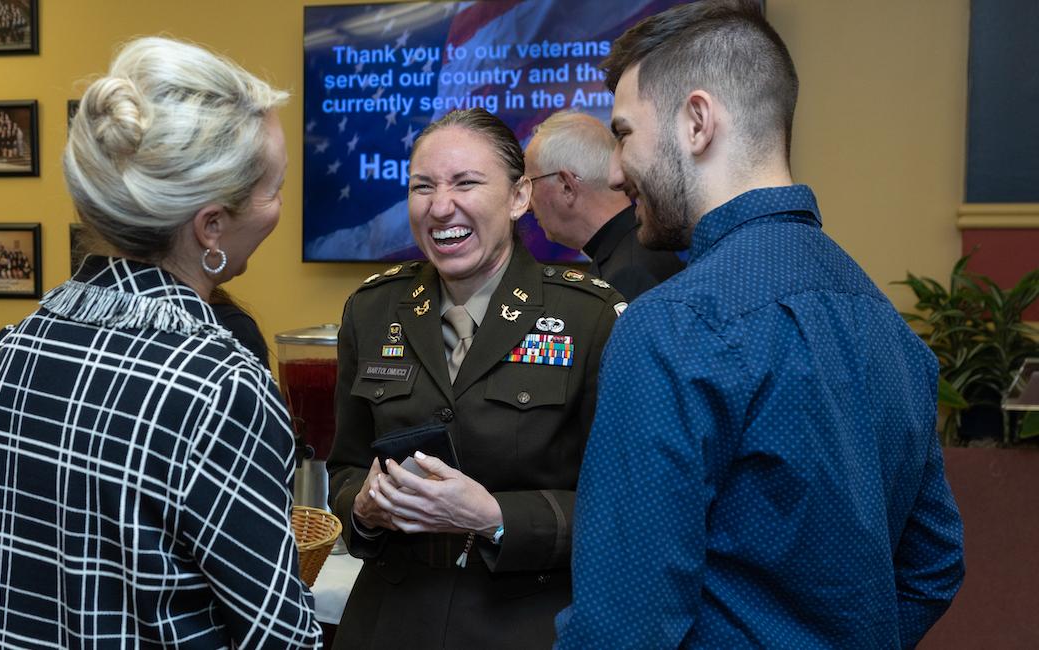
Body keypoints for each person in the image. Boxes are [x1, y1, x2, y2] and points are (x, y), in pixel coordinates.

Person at [555, 1, 965, 647]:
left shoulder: (670, 327)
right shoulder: (891, 329)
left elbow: (623, 624)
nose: (613, 169)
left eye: (625, 133)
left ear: (697, 121)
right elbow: (933, 566)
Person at [0, 36, 321, 648]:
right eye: (275, 188)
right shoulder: (219, 383)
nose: (279, 206)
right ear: (211, 226)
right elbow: (275, 632)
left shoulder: (7, 353)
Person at [327, 108, 625, 649]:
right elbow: (345, 465)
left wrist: (495, 517)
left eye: (466, 183)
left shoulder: (590, 318)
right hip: (390, 620)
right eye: (423, 187)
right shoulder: (371, 310)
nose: (441, 207)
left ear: (518, 198)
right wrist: (364, 508)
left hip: (525, 621)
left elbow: (622, 507)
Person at [525, 110, 684, 299]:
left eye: (531, 183)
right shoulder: (632, 253)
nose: (527, 206)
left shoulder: (628, 276)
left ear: (567, 187)